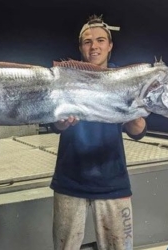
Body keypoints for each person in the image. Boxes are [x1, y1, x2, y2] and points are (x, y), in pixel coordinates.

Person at [50, 15, 147, 250]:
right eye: (87, 41)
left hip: (112, 181)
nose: (94, 47)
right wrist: (62, 122)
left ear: (110, 45)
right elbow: (55, 125)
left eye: (101, 40)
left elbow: (138, 130)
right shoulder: (66, 79)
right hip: (70, 180)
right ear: (80, 47)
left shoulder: (124, 79)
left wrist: (131, 112)